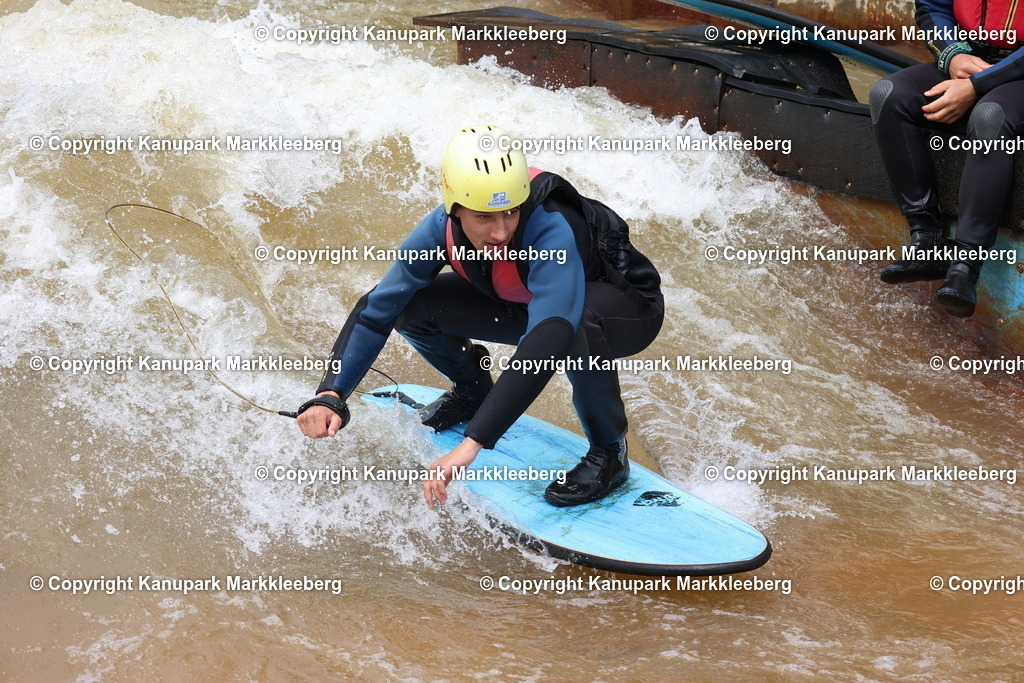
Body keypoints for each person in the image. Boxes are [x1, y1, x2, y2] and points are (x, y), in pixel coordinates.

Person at [295, 125, 664, 509]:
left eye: (510, 212)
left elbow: (551, 333)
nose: (501, 231)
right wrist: (330, 394)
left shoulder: (552, 226)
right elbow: (376, 312)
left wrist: (473, 444)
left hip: (627, 309)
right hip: (525, 302)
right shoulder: (438, 229)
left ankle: (609, 451)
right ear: (454, 208)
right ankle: (472, 390)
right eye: (485, 217)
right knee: (411, 305)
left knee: (578, 325)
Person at [870, 0, 1024, 317]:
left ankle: (965, 268)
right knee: (888, 94)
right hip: (971, 60)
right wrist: (952, 53)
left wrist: (977, 86)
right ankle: (927, 240)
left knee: (990, 116)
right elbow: (931, 7)